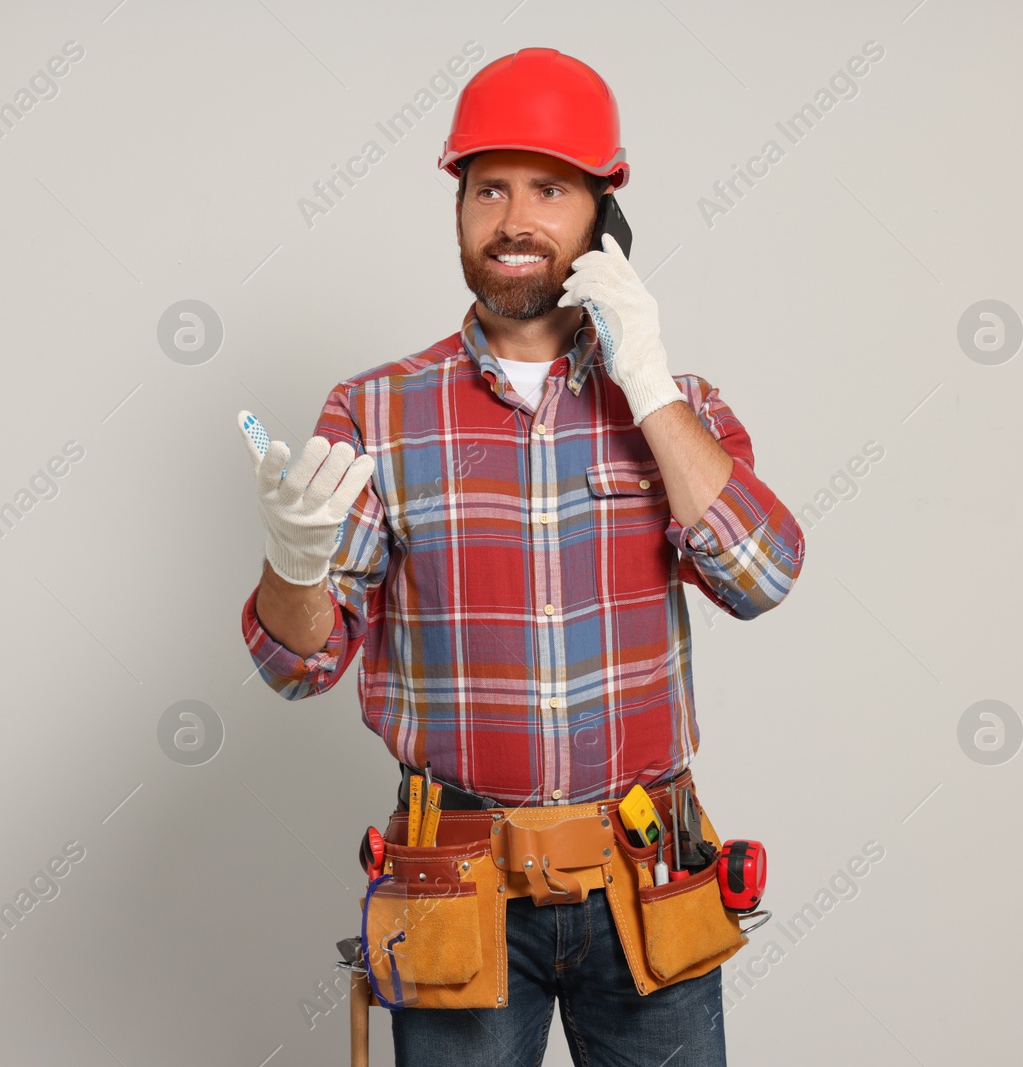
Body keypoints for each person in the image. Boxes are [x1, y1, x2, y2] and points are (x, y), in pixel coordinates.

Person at [237, 47, 804, 1067]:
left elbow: (761, 576)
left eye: (549, 188)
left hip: (644, 873)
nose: (514, 218)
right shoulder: (376, 412)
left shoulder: (678, 409)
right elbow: (295, 666)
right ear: (456, 208)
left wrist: (648, 385)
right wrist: (294, 562)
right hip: (455, 882)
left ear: (601, 217)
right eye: (488, 187)